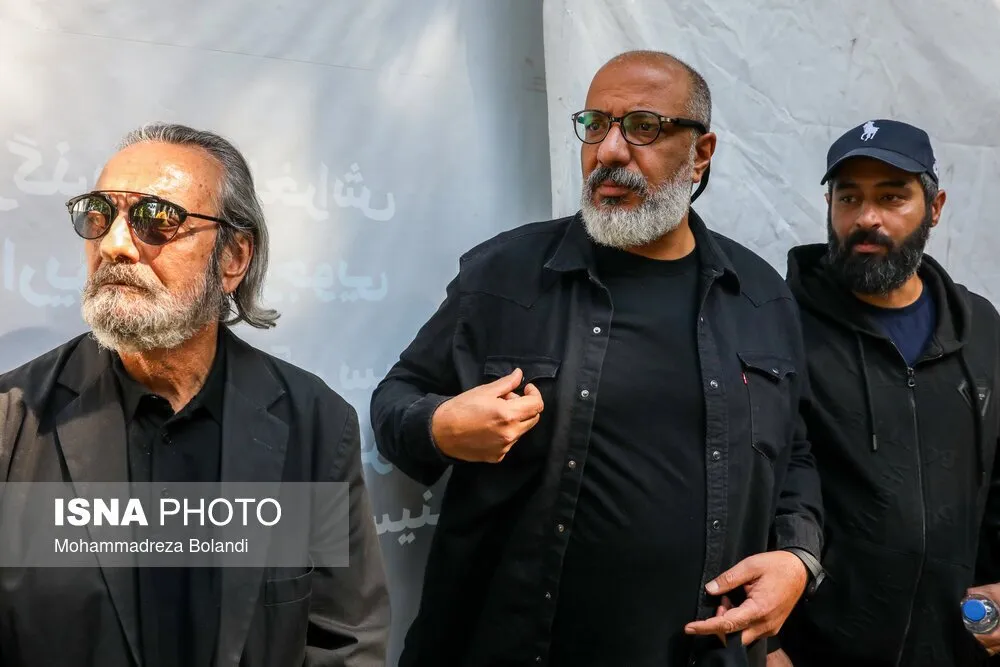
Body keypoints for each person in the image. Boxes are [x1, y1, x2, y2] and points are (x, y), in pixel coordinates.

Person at [371, 50, 824, 667]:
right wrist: (439, 427)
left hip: (704, 651)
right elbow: (396, 397)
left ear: (702, 152)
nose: (609, 151)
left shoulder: (760, 296)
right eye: (595, 125)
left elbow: (795, 451)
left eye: (642, 127)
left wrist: (798, 558)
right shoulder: (506, 275)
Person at [0, 123, 390, 667]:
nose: (113, 245)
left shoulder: (316, 426)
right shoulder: (12, 424)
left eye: (156, 219)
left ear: (233, 258)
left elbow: (344, 645)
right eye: (99, 214)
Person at [773, 119, 1000, 666]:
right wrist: (767, 646)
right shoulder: (778, 327)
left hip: (955, 645)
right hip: (815, 650)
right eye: (849, 197)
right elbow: (745, 486)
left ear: (935, 207)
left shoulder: (982, 330)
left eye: (892, 197)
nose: (867, 218)